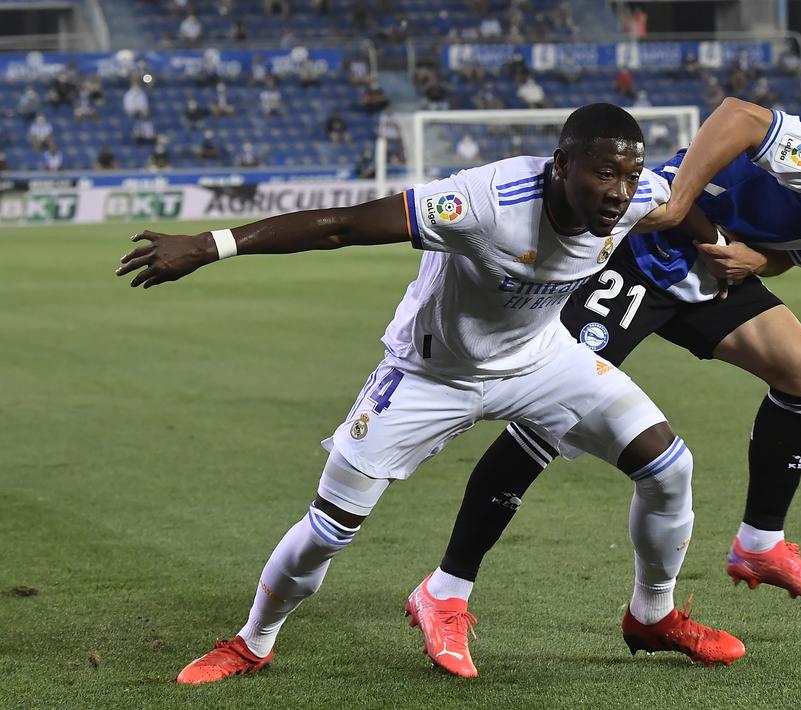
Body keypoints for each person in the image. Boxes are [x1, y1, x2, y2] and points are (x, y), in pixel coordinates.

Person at [117, 103, 743, 684]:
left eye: (630, 175)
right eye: (604, 174)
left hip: (542, 361)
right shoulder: (482, 200)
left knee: (668, 466)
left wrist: (718, 250)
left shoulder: (633, 197)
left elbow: (676, 201)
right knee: (329, 529)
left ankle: (651, 615)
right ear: (561, 165)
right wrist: (208, 246)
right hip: (429, 375)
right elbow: (343, 226)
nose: (619, 192)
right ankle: (252, 640)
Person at [423, 98, 801, 639]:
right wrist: (679, 198)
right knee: (546, 418)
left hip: (706, 274)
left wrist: (759, 261)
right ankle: (446, 589)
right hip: (639, 257)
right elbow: (739, 115)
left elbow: (786, 253)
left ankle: (759, 545)